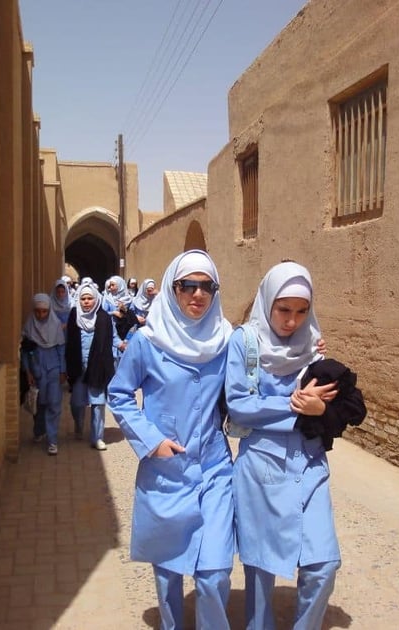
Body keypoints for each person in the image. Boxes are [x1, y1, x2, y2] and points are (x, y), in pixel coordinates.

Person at [108, 250, 234, 630]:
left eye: (206, 287)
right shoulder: (148, 341)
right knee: (168, 573)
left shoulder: (226, 339)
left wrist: (309, 353)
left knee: (214, 573)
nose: (197, 295)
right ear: (171, 288)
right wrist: (151, 440)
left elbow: (261, 364)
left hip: (213, 467)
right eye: (187, 286)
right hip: (167, 468)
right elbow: (119, 394)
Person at [224, 261, 340, 630]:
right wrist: (298, 408)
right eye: (284, 310)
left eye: (302, 311)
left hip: (309, 466)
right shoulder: (244, 342)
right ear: (268, 302)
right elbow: (239, 403)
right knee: (260, 567)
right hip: (261, 467)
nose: (292, 320)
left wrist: (320, 409)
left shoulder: (313, 346)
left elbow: (331, 403)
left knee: (323, 564)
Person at [65, 283, 122, 450]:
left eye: (90, 298)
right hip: (78, 367)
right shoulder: (74, 315)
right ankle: (78, 424)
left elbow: (113, 337)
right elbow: (68, 340)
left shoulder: (103, 317)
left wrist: (121, 345)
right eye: (83, 298)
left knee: (98, 403)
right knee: (77, 403)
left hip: (97, 366)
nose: (86, 302)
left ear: (96, 299)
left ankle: (97, 437)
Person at [20, 293, 67, 456]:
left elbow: (61, 349)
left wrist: (62, 371)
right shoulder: (29, 327)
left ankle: (52, 440)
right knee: (39, 403)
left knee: (54, 404)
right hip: (36, 370)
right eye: (38, 311)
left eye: (44, 311)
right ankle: (39, 430)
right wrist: (28, 372)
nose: (41, 315)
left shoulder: (55, 326)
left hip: (53, 369)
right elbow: (25, 352)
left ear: (49, 310)